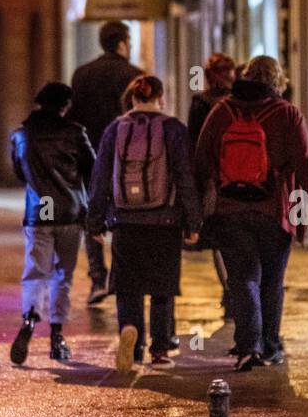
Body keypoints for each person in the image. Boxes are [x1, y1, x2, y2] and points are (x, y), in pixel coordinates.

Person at [193, 55, 308, 372]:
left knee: (242, 279)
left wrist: (202, 202)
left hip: (230, 209)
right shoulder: (287, 114)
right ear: (278, 81)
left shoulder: (221, 111)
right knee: (272, 281)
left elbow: (201, 159)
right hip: (275, 210)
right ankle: (270, 345)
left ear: (246, 76)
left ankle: (249, 346)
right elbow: (307, 166)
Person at [86, 75, 197, 370]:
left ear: (133, 98)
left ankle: (130, 337)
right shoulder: (173, 130)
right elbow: (186, 178)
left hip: (125, 221)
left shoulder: (115, 130)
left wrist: (95, 222)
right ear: (160, 97)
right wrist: (193, 222)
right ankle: (160, 351)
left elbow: (100, 180)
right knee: (162, 287)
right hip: (165, 221)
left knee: (128, 286)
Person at [9, 82, 95, 366]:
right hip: (69, 213)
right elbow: (92, 169)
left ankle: (30, 320)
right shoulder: (75, 133)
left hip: (38, 213)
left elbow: (20, 173)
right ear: (65, 105)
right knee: (62, 276)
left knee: (36, 272)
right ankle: (57, 338)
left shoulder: (21, 135)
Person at [70, 20, 142, 305]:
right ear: (123, 43)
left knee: (92, 215)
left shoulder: (81, 75)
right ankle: (121, 276)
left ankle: (98, 278)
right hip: (126, 158)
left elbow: (74, 118)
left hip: (90, 155)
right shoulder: (134, 76)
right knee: (125, 214)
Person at [188, 52, 236, 326]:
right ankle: (237, 291)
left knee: (219, 239)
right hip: (243, 179)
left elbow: (194, 145)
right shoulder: (241, 103)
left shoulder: (201, 103)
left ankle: (229, 291)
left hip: (213, 181)